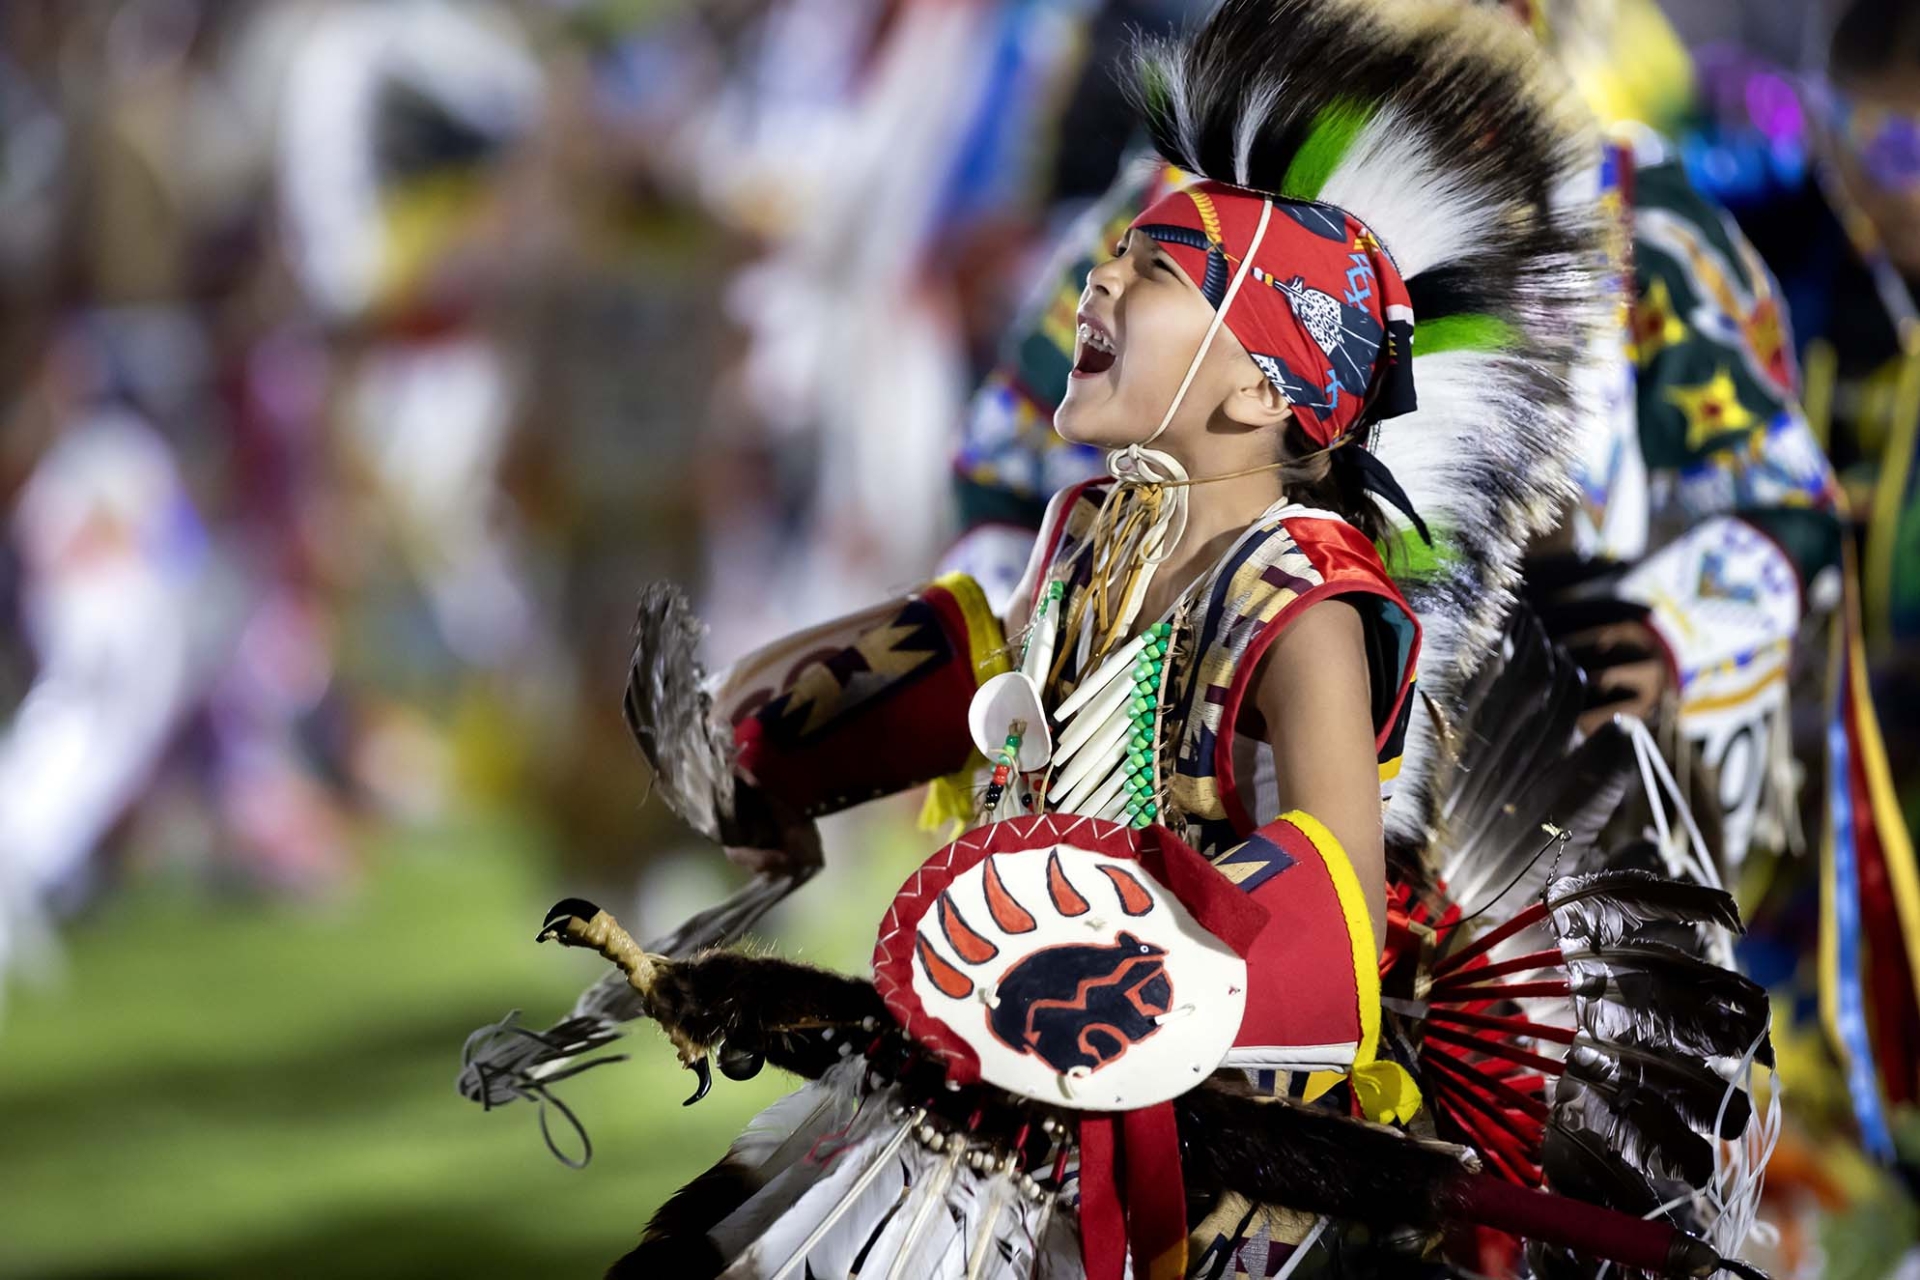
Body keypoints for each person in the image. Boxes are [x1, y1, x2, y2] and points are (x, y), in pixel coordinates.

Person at [486, 2, 1776, 1276]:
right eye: (1117, 262)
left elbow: (1327, 915)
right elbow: (988, 645)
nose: (1097, 283)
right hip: (1035, 1048)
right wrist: (784, 742)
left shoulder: (1326, 575)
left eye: (1145, 276)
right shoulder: (1101, 489)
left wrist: (1126, 984)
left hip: (1247, 1047)